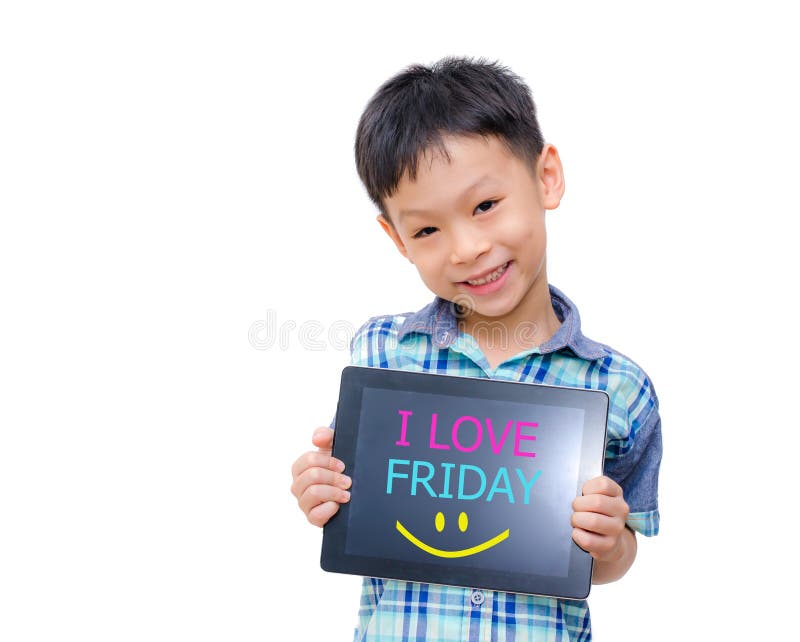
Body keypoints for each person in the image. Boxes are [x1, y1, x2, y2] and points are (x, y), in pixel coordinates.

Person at [290, 56, 662, 641]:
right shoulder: (383, 352)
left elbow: (619, 553)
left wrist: (610, 542)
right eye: (427, 230)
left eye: (485, 206)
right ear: (397, 240)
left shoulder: (619, 388)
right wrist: (323, 490)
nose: (466, 248)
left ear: (546, 179)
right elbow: (361, 504)